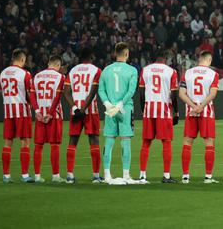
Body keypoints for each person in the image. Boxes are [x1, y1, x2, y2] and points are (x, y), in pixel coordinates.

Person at [98, 42, 139, 185]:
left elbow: (101, 90)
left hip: (110, 111)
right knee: (125, 141)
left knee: (109, 141)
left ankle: (107, 175)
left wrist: (108, 104)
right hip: (125, 109)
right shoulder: (132, 70)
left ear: (115, 53)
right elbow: (131, 90)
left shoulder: (106, 70)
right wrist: (121, 103)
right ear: (127, 54)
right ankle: (126, 175)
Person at [138, 51, 180, 183]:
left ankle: (142, 175)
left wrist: (143, 109)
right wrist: (176, 112)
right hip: (163, 109)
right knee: (166, 142)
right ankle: (166, 175)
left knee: (146, 142)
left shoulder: (145, 70)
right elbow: (173, 94)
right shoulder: (171, 71)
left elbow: (141, 93)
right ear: (165, 59)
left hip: (149, 108)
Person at [62, 48, 102, 183]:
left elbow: (66, 92)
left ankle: (69, 175)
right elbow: (93, 91)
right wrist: (84, 108)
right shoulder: (96, 70)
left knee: (73, 141)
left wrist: (75, 108)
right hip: (90, 110)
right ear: (91, 56)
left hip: (76, 111)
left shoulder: (72, 71)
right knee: (94, 140)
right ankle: (96, 176)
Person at [179, 51, 219, 184]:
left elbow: (182, 93)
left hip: (191, 112)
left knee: (187, 142)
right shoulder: (213, 74)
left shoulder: (188, 73)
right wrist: (201, 107)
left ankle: (185, 176)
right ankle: (208, 177)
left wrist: (193, 107)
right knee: (209, 143)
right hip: (206, 111)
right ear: (209, 60)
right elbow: (213, 94)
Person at [0, 49, 35, 183]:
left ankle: (6, 175)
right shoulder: (25, 74)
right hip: (22, 110)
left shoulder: (3, 73)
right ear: (22, 60)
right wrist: (35, 107)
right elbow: (30, 94)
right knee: (25, 141)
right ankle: (25, 174)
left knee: (8, 142)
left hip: (8, 110)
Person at [32, 55, 66, 183]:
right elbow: (57, 96)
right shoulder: (60, 77)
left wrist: (37, 111)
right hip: (54, 115)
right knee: (54, 145)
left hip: (40, 114)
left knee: (38, 145)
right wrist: (51, 113)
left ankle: (36, 176)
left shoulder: (37, 76)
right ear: (58, 65)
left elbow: (32, 94)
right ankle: (55, 176)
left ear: (48, 63)